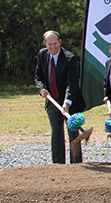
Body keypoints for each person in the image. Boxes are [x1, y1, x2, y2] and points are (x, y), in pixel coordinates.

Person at [35, 30, 86, 164]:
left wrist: (67, 103)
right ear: (45, 43)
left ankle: (76, 163)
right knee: (56, 132)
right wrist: (41, 89)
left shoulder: (69, 58)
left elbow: (72, 83)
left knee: (73, 134)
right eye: (49, 44)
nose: (53, 47)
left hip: (71, 100)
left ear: (60, 42)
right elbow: (38, 76)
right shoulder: (42, 54)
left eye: (55, 43)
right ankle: (58, 164)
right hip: (52, 100)